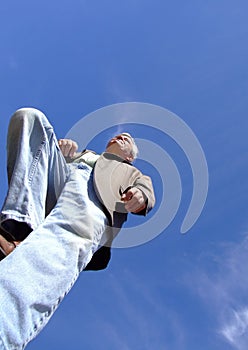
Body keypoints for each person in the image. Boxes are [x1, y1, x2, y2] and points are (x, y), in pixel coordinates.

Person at [0, 108, 155, 349]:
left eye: (126, 140)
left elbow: (146, 191)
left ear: (130, 156)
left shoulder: (131, 172)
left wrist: (140, 195)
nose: (119, 138)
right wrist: (61, 153)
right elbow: (39, 165)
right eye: (117, 136)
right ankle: (19, 227)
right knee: (31, 118)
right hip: (60, 181)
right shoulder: (82, 153)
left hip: (92, 197)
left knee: (62, 239)